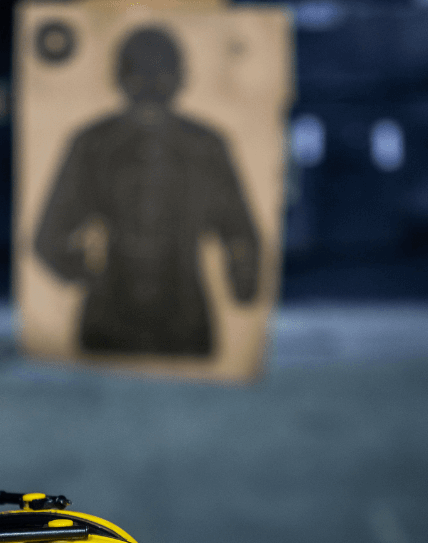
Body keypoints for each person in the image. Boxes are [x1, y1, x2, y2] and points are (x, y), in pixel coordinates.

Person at [35, 26, 260, 357]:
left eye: (159, 74)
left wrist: (81, 271)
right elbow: (49, 238)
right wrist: (243, 284)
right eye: (141, 73)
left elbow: (241, 235)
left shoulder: (96, 143)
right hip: (137, 317)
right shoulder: (202, 144)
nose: (151, 85)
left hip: (157, 317)